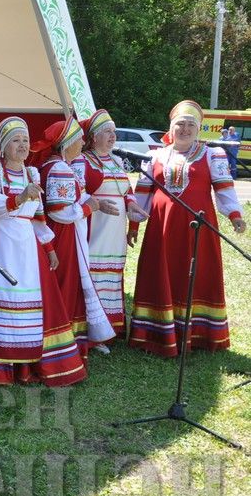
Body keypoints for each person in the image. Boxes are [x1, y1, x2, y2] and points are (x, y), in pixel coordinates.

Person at [0, 117, 86, 391]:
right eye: (16, 140)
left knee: (29, 303)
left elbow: (38, 217)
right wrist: (18, 198)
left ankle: (25, 365)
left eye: (26, 140)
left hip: (26, 248)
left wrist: (48, 247)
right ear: (3, 146)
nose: (23, 145)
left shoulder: (32, 174)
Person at [129, 100, 246, 356]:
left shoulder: (212, 154)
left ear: (199, 128)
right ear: (171, 128)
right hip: (162, 229)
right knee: (161, 273)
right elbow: (142, 194)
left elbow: (224, 189)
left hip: (198, 230)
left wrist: (235, 215)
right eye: (180, 124)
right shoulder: (154, 155)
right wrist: (134, 225)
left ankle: (199, 334)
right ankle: (156, 332)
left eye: (190, 125)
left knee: (196, 275)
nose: (185, 129)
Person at [35, 117, 117, 357]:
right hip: (62, 234)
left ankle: (64, 338)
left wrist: (95, 204)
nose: (83, 141)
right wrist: (89, 208)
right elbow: (59, 212)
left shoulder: (57, 165)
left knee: (67, 283)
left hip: (64, 232)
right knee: (64, 283)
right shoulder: (59, 168)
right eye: (79, 138)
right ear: (67, 142)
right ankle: (59, 340)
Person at [73, 109, 148, 339]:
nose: (113, 136)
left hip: (114, 233)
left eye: (114, 131)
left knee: (113, 276)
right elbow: (77, 193)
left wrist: (132, 206)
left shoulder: (117, 161)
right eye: (107, 131)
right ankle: (92, 332)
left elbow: (127, 190)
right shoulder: (82, 161)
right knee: (94, 274)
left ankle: (111, 329)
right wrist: (96, 204)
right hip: (95, 227)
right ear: (94, 137)